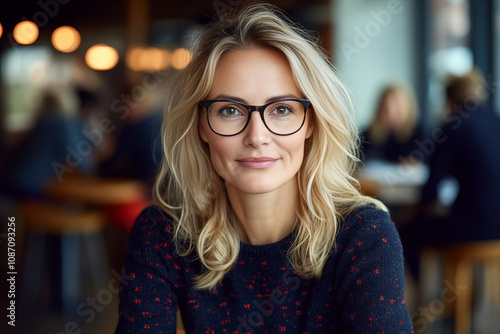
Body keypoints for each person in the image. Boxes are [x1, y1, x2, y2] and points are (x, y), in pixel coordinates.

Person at [116, 4, 413, 333]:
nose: (257, 136)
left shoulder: (363, 235)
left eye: (282, 109)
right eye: (230, 110)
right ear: (201, 125)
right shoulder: (164, 234)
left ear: (310, 122)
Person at [400, 69, 500, 279]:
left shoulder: (454, 126)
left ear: (450, 98)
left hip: (471, 229)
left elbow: (430, 191)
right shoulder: (495, 120)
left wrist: (414, 212)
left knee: (406, 232)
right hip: (496, 227)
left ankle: (421, 302)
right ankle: (462, 303)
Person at [361, 84, 423, 163]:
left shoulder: (420, 134)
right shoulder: (367, 135)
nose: (391, 111)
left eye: (396, 106)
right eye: (386, 106)